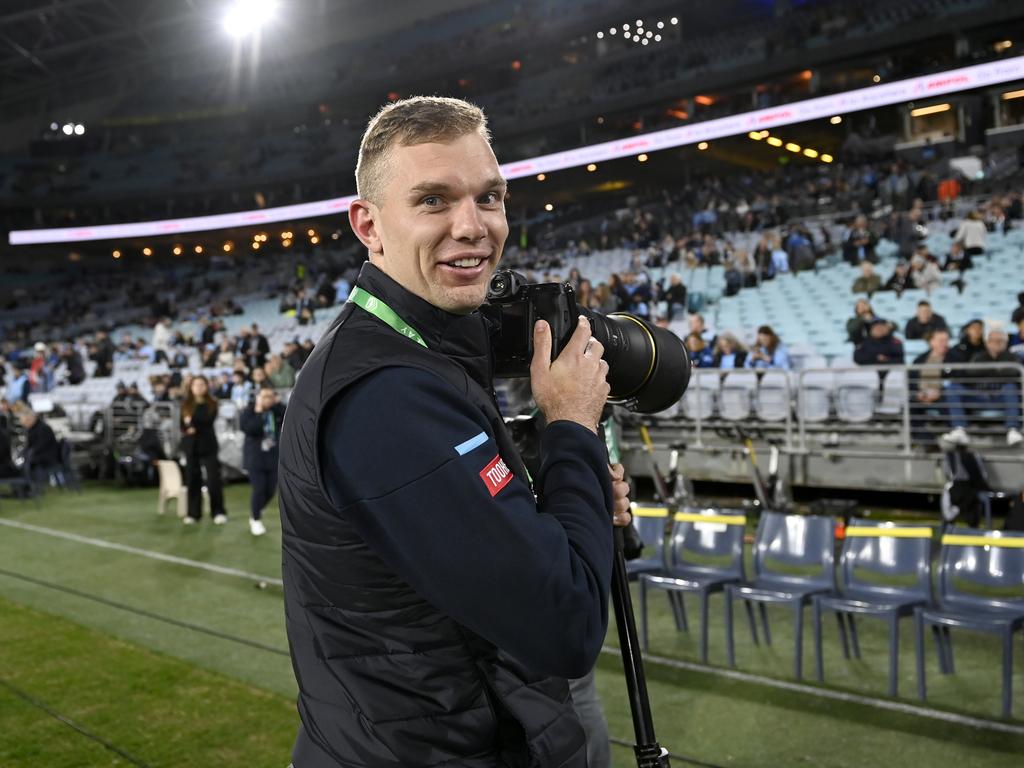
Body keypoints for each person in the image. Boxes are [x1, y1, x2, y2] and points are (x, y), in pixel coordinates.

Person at [277, 96, 632, 768]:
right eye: (434, 201)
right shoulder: (385, 395)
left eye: (489, 197)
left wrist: (570, 490)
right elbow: (566, 626)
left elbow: (494, 550)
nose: (472, 226)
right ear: (369, 225)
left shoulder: (419, 351)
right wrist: (572, 429)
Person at [942, 327, 1023, 447]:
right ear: (987, 342)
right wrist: (997, 371)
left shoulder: (1013, 358)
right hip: (978, 395)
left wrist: (988, 371)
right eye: (993, 340)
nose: (996, 344)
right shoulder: (978, 357)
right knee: (952, 388)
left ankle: (1013, 430)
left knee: (1010, 388)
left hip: (1000, 397)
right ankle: (959, 429)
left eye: (1000, 341)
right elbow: (969, 375)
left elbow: (1014, 375)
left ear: (1005, 343)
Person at [179, 375, 226, 524]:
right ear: (191, 387)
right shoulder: (186, 404)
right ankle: (193, 514)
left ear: (206, 386)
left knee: (213, 480)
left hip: (208, 445)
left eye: (201, 384)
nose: (198, 387)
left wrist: (191, 422)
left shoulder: (212, 403)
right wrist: (188, 428)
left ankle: (218, 512)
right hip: (191, 446)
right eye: (195, 385)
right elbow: (182, 425)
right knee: (192, 480)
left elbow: (207, 421)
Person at [239, 385, 285, 537]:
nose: (268, 399)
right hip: (255, 457)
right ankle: (256, 519)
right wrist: (259, 412)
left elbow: (288, 414)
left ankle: (257, 509)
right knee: (258, 489)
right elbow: (249, 429)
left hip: (272, 456)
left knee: (271, 490)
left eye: (270, 396)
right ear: (258, 397)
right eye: (265, 396)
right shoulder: (249, 411)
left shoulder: (275, 410)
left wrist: (277, 403)